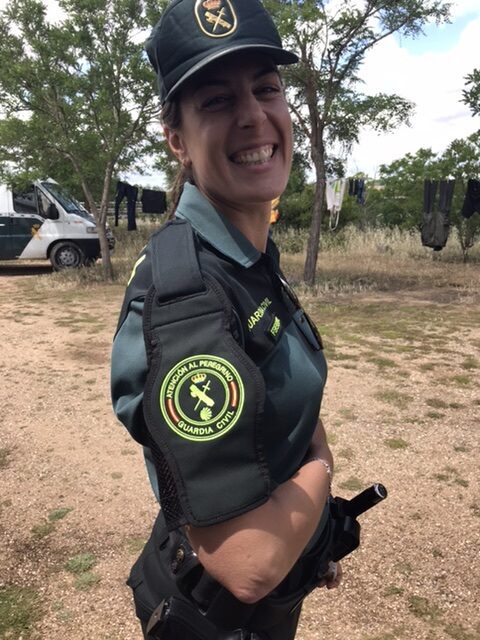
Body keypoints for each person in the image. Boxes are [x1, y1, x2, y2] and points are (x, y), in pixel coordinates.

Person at [111, 1, 341, 638]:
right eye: (216, 101)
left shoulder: (245, 254)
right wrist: (321, 464)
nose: (253, 116)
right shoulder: (188, 293)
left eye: (266, 88)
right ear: (177, 139)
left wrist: (313, 539)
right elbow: (249, 561)